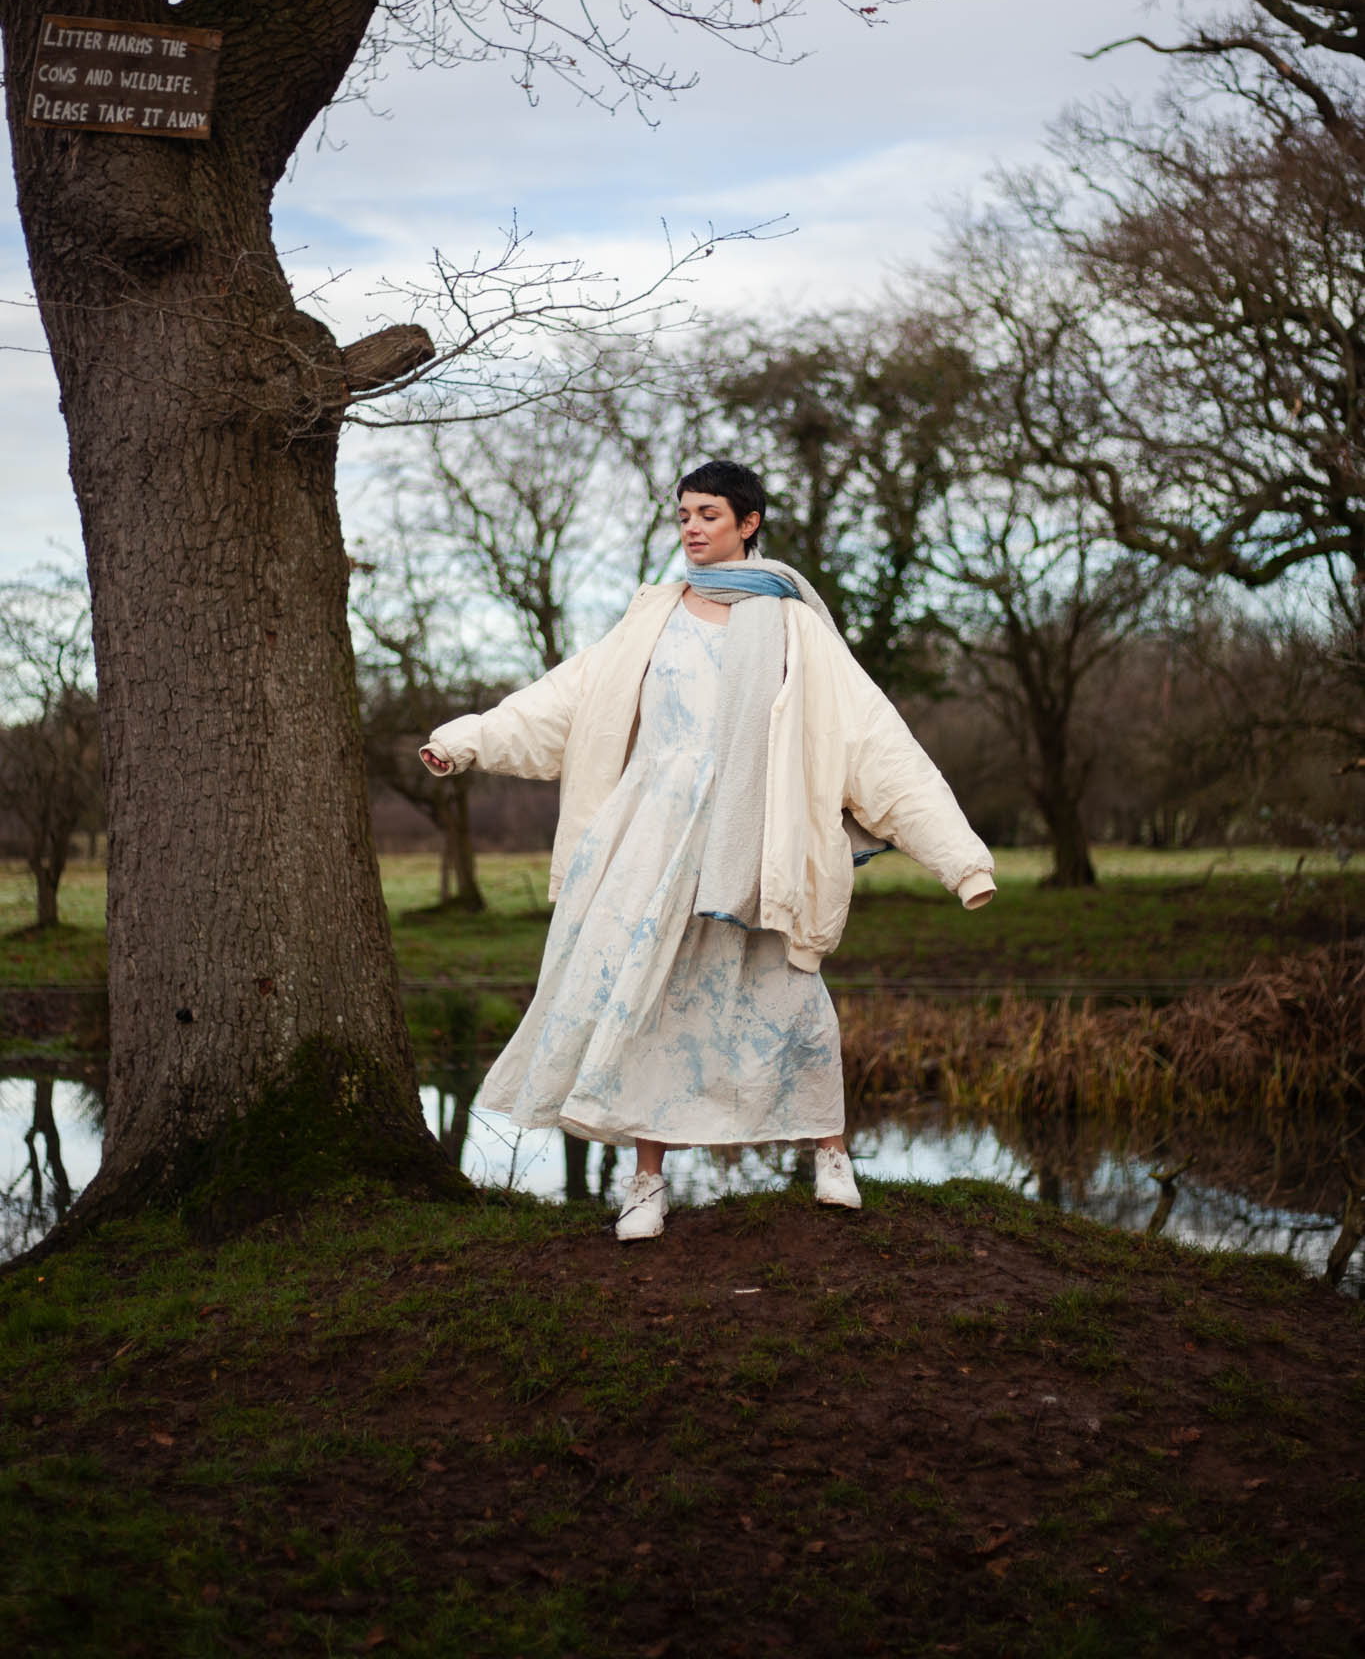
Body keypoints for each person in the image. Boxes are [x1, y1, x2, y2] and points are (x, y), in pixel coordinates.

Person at [419, 459, 995, 1240]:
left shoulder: (791, 625)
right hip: (649, 842)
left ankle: (830, 1155)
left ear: (748, 523)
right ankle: (646, 1184)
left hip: (753, 840)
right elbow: (566, 699)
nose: (691, 528)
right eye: (684, 514)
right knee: (647, 999)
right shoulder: (651, 618)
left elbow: (871, 740)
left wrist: (960, 860)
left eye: (708, 514)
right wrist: (464, 740)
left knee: (789, 993)